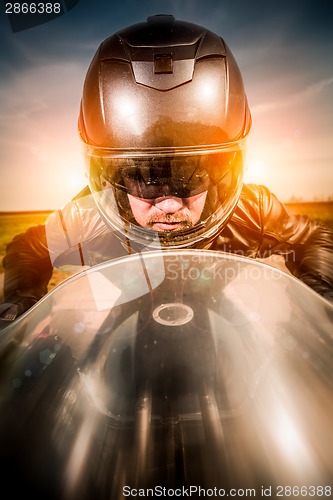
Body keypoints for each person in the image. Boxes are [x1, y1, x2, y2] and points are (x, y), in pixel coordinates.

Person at [1, 14, 333, 322]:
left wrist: (320, 302)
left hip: (221, 325)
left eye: (191, 176)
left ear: (224, 170)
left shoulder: (251, 208)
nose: (170, 205)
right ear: (112, 179)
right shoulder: (89, 215)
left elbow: (316, 238)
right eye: (146, 179)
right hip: (124, 328)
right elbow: (29, 248)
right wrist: (20, 307)